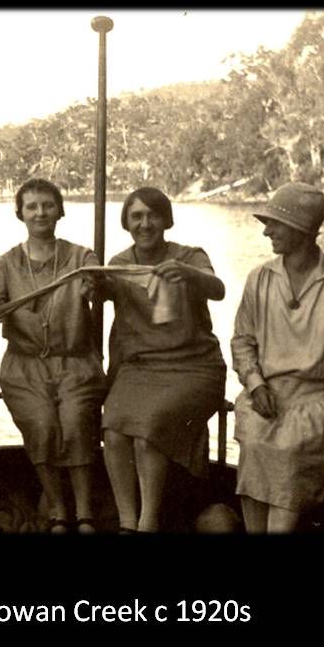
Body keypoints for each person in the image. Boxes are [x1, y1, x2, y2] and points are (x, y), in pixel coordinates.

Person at [232, 182, 324, 533]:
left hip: (314, 403)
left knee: (290, 454)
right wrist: (255, 384)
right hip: (265, 397)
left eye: (275, 223)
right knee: (253, 441)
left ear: (301, 229)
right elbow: (242, 342)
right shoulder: (259, 279)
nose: (267, 231)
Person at [0, 178, 106, 534]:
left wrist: (92, 287)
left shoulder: (80, 256)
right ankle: (60, 510)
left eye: (47, 205)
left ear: (60, 210)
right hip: (24, 367)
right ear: (21, 214)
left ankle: (86, 513)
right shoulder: (5, 263)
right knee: (43, 423)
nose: (40, 212)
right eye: (32, 206)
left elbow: (97, 285)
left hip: (76, 363)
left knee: (77, 421)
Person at [100, 187, 227, 533]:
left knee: (148, 431)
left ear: (166, 219)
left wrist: (190, 275)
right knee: (112, 429)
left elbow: (218, 288)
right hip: (141, 367)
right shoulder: (120, 265)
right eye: (136, 216)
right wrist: (92, 290)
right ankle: (127, 520)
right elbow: (102, 292)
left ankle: (148, 521)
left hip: (194, 366)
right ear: (126, 222)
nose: (145, 224)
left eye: (152, 215)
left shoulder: (189, 256)